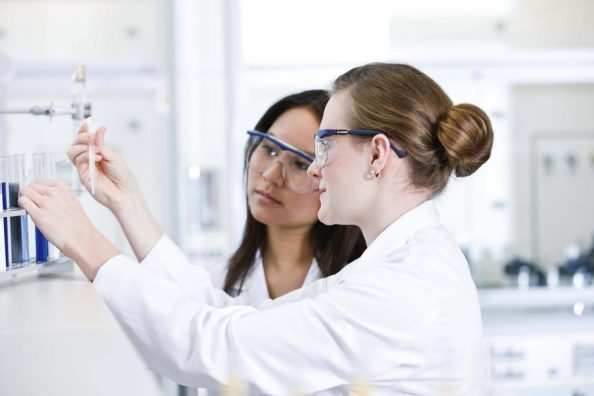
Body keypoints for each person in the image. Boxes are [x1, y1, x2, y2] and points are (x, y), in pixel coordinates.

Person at [20, 62, 493, 395]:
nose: (312, 170)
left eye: (322, 147)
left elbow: (214, 348)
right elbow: (228, 319)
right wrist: (126, 204)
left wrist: (84, 240)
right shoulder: (398, 265)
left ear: (377, 155)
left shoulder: (399, 290)